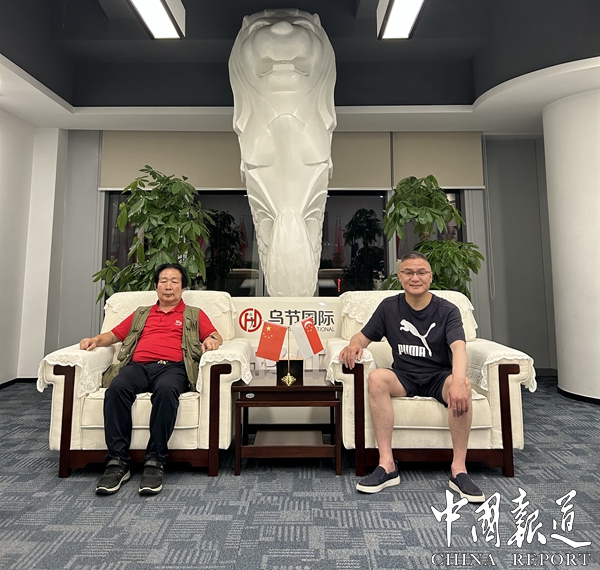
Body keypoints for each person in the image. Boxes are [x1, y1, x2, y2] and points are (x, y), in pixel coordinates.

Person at [339, 252, 485, 502]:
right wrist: (353, 345)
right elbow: (362, 337)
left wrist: (460, 380)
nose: (415, 277)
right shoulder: (389, 307)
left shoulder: (447, 310)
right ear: (400, 277)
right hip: (404, 376)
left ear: (430, 277)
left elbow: (459, 347)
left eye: (421, 272)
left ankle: (459, 469)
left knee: (460, 385)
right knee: (376, 378)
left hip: (439, 377)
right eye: (408, 272)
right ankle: (387, 465)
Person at [79, 263, 223, 496]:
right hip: (138, 367)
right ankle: (117, 462)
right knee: (117, 388)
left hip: (173, 368)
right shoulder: (142, 313)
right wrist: (94, 340)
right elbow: (114, 335)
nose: (168, 286)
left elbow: (214, 335)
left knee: (166, 391)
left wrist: (212, 340)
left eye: (174, 281)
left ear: (183, 288)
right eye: (163, 281)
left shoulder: (193, 314)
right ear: (156, 286)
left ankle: (155, 461)